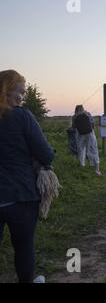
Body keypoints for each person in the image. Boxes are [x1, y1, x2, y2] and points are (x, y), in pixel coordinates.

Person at [0, 70, 55, 283]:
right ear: (6, 92)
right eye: (19, 93)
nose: (22, 98)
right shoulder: (21, 116)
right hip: (20, 194)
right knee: (23, 246)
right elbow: (46, 154)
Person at [73, 105, 101, 175]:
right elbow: (92, 122)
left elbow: (73, 127)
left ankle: (82, 165)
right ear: (83, 109)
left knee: (81, 149)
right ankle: (97, 169)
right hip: (90, 133)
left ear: (76, 110)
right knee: (93, 150)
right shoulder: (87, 114)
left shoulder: (74, 116)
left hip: (80, 134)